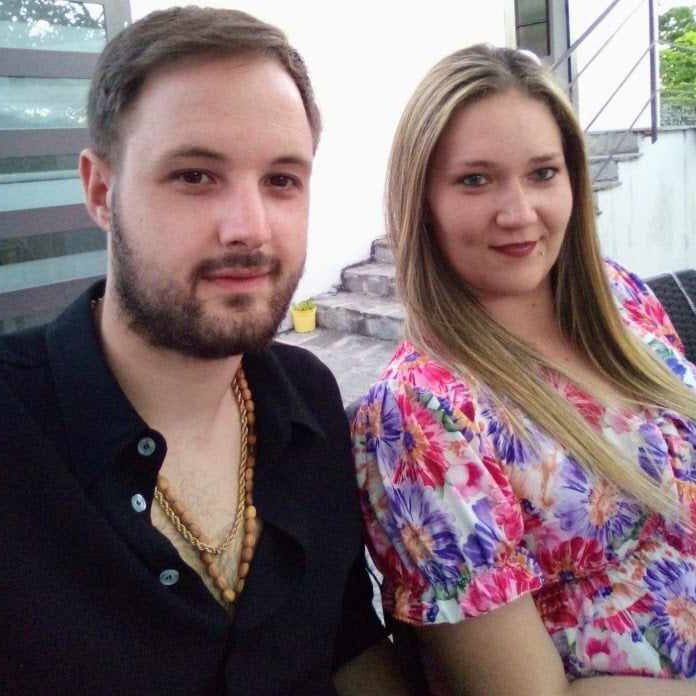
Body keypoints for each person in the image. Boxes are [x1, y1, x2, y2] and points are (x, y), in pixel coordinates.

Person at [0, 7, 413, 695]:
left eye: (281, 180)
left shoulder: (309, 402)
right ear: (101, 191)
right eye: (195, 176)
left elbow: (345, 642)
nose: (250, 228)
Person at [352, 44, 696, 695]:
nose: (519, 213)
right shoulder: (422, 414)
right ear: (421, 201)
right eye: (474, 180)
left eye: (542, 173)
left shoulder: (620, 298)